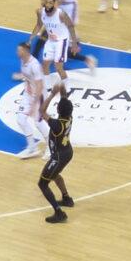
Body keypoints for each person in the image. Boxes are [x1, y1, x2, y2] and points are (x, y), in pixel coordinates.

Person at [37, 92, 75, 225]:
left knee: (42, 184)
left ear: (58, 110)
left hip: (58, 156)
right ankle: (67, 199)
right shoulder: (69, 117)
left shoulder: (56, 125)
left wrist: (53, 93)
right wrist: (62, 91)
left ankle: (59, 212)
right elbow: (65, 101)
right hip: (67, 152)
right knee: (55, 174)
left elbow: (41, 110)